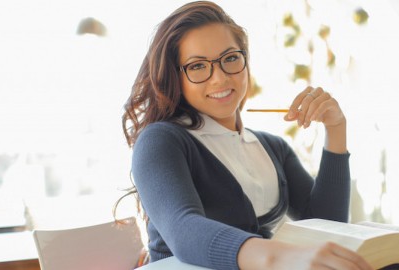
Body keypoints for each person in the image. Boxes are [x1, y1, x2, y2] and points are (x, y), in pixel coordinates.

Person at [120, 1, 372, 269]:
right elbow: (184, 229)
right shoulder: (161, 140)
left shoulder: (273, 147)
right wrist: (282, 256)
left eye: (230, 58)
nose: (219, 78)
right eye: (197, 66)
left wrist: (336, 128)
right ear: (175, 76)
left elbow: (328, 225)